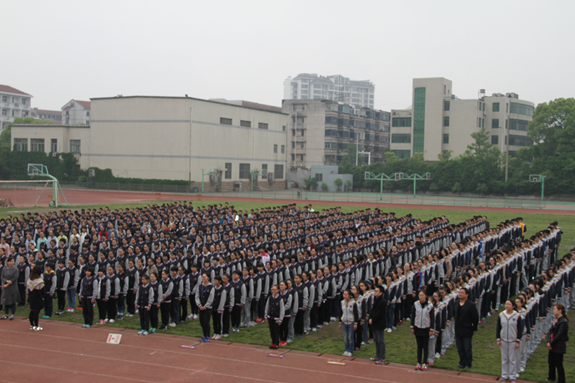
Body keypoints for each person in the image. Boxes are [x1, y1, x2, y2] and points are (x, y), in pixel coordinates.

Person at [496, 300, 523, 382]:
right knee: (504, 358)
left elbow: (520, 328)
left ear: (513, 306)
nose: (507, 306)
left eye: (509, 304)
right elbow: (498, 327)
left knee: (512, 359)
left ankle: (512, 376)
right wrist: (498, 339)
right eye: (506, 304)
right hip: (503, 339)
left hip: (513, 340)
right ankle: (504, 375)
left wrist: (518, 340)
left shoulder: (517, 316)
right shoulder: (501, 315)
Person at [454, 287, 479, 369]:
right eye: (459, 292)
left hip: (467, 329)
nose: (460, 294)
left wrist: (474, 327)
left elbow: (475, 317)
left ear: (467, 295)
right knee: (459, 348)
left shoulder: (471, 305)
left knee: (467, 348)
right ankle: (462, 363)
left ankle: (468, 364)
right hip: (458, 329)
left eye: (462, 293)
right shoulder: (456, 303)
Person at [411, 290, 435, 371]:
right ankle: (418, 362)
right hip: (417, 327)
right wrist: (412, 326)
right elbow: (413, 315)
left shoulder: (430, 305)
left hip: (426, 328)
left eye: (422, 295)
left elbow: (432, 318)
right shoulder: (416, 304)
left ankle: (424, 363)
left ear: (426, 296)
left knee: (425, 346)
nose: (421, 297)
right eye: (420, 295)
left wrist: (431, 329)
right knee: (419, 346)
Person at [547, 304, 568, 383]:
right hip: (552, 343)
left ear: (560, 311)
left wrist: (551, 343)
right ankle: (551, 377)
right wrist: (549, 341)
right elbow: (551, 331)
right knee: (551, 361)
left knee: (558, 363)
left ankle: (561, 380)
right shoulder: (555, 320)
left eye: (555, 309)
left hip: (558, 344)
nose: (553, 310)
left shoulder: (563, 322)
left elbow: (559, 334)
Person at [369, 285, 388, 364]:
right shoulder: (375, 299)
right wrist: (370, 317)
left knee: (380, 341)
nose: (375, 292)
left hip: (379, 323)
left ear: (381, 293)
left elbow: (379, 313)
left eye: (376, 291)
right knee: (376, 340)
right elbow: (372, 310)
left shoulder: (383, 302)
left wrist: (373, 319)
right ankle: (377, 355)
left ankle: (382, 357)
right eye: (375, 291)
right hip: (374, 323)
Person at [195, 272, 215, 342]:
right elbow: (197, 296)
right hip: (201, 307)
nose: (203, 278)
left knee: (206, 322)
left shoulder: (211, 287)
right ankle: (204, 335)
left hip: (207, 308)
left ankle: (208, 335)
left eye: (204, 277)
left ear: (208, 278)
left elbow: (211, 298)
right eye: (202, 277)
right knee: (202, 322)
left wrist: (205, 306)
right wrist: (199, 305)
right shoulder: (200, 286)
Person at [265, 284, 285, 349]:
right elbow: (267, 307)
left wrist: (280, 319)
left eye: (274, 289)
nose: (273, 291)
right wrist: (266, 315)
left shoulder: (280, 299)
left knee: (276, 331)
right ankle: (273, 342)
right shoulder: (270, 297)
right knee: (271, 330)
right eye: (272, 289)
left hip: (276, 317)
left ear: (278, 290)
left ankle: (276, 343)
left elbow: (282, 309)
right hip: (270, 316)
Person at [339, 289, 358, 357]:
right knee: (345, 337)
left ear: (350, 295)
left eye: (346, 295)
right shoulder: (342, 302)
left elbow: (356, 313)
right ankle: (346, 349)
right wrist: (340, 322)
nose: (344, 296)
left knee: (350, 336)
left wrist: (355, 323)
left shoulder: (353, 303)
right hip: (344, 321)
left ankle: (350, 350)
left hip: (351, 322)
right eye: (344, 294)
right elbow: (341, 312)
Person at [27, 265, 46, 331]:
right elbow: (43, 291)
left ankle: (32, 324)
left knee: (32, 311)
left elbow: (28, 289)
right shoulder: (40, 281)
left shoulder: (30, 280)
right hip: (38, 297)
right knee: (36, 312)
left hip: (31, 297)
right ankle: (36, 325)